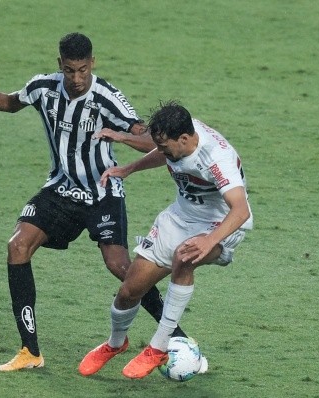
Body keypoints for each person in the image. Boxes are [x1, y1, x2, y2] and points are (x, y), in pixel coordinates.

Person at [0, 33, 187, 371]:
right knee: (17, 246)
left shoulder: (107, 97)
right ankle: (30, 352)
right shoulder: (43, 87)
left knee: (120, 268)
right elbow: (12, 102)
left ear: (92, 64)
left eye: (82, 70)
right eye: (69, 70)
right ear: (60, 66)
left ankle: (178, 338)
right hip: (60, 189)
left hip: (102, 192)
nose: (76, 79)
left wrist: (123, 136)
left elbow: (149, 139)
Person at [78, 101, 253, 379]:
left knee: (185, 256)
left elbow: (240, 209)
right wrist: (130, 168)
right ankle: (115, 344)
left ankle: (158, 347)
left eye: (163, 145)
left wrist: (209, 241)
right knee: (129, 291)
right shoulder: (179, 137)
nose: (160, 150)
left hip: (219, 224)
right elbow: (167, 154)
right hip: (179, 217)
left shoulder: (217, 159)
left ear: (184, 138)